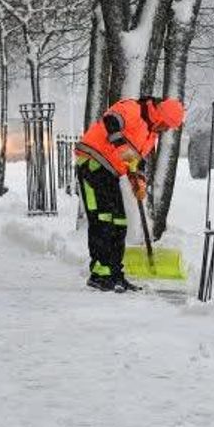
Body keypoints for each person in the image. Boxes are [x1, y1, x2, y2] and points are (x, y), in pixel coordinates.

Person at [74, 96, 186, 292]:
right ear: (161, 115)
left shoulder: (150, 135)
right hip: (92, 162)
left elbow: (137, 162)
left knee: (119, 222)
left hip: (110, 172)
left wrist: (139, 182)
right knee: (103, 219)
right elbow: (111, 121)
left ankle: (115, 274)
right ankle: (100, 275)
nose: (165, 129)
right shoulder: (133, 109)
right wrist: (123, 149)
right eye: (166, 125)